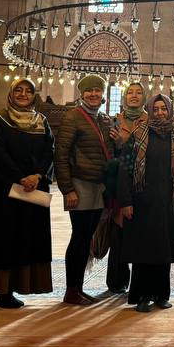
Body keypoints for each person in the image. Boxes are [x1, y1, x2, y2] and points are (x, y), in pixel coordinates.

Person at [0, 77, 54, 308]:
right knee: (5, 241)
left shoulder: (41, 121)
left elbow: (50, 151)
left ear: (33, 95)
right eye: (18, 90)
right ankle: (3, 292)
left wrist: (37, 175)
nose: (23, 94)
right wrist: (20, 177)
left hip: (33, 191)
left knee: (29, 239)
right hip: (4, 193)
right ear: (10, 94)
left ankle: (23, 285)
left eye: (28, 91)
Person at [118, 94, 174, 312]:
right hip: (142, 203)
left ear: (170, 111)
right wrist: (125, 201)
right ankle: (142, 296)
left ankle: (161, 295)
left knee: (165, 251)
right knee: (143, 252)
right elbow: (124, 170)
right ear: (150, 111)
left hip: (170, 203)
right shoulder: (138, 135)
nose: (160, 113)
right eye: (156, 109)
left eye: (164, 109)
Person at [53, 74, 113, 305]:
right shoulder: (72, 117)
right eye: (89, 90)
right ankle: (71, 290)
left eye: (97, 90)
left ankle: (78, 288)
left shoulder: (103, 119)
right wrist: (67, 189)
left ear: (102, 93)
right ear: (82, 94)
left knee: (87, 237)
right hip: (79, 184)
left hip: (98, 185)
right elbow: (61, 155)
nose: (93, 94)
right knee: (79, 237)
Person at [107, 81, 147, 294]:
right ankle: (117, 281)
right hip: (120, 183)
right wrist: (118, 146)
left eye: (138, 92)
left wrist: (126, 144)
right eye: (130, 92)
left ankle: (140, 283)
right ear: (124, 97)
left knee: (141, 232)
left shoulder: (150, 120)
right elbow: (108, 153)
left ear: (144, 97)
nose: (134, 95)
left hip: (143, 184)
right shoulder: (115, 121)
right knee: (119, 232)